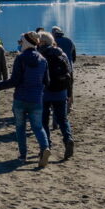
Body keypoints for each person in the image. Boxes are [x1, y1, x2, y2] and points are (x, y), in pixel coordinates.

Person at [0, 32, 52, 168]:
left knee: (20, 127)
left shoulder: (20, 59)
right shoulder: (43, 60)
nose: (19, 44)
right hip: (36, 99)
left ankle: (23, 155)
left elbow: (14, 81)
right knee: (38, 127)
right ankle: (45, 148)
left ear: (26, 43)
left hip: (20, 99)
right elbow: (47, 82)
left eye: (21, 41)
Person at [38, 32, 75, 160]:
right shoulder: (61, 54)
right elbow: (69, 74)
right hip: (61, 91)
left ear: (42, 42)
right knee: (62, 119)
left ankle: (46, 146)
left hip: (45, 92)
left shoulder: (40, 55)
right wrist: (69, 93)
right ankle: (68, 139)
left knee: (44, 120)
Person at [51, 26, 77, 109]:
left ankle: (55, 104)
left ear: (53, 33)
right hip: (69, 67)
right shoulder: (69, 41)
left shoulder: (53, 42)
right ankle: (70, 104)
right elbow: (73, 55)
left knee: (57, 86)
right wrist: (71, 63)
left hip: (56, 68)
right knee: (69, 85)